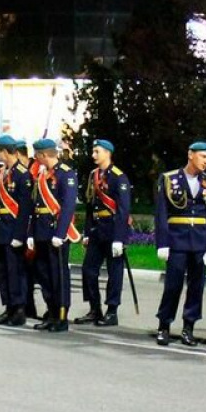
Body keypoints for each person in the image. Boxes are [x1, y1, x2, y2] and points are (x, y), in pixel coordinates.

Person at [153, 142, 206, 346]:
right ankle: (164, 325)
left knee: (196, 287)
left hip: (199, 240)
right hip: (177, 239)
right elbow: (161, 213)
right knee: (172, 285)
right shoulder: (170, 179)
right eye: (202, 156)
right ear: (190, 155)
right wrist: (162, 242)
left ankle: (189, 327)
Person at [75, 139, 131, 327]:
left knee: (115, 272)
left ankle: (112, 310)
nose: (93, 155)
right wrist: (87, 232)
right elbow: (91, 205)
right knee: (88, 269)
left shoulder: (118, 176)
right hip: (97, 229)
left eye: (97, 151)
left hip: (113, 228)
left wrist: (119, 238)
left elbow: (123, 209)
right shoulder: (93, 176)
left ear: (108, 153)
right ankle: (94, 308)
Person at [29, 138, 79, 333]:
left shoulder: (66, 174)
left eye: (37, 155)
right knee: (44, 276)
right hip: (41, 231)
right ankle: (50, 313)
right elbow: (36, 206)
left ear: (43, 155)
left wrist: (61, 233)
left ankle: (61, 316)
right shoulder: (41, 174)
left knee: (58, 276)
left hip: (56, 232)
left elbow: (67, 207)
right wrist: (31, 232)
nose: (35, 158)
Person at [0, 135, 32, 326]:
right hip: (1, 228)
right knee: (3, 272)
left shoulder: (23, 174)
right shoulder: (2, 173)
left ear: (5, 152)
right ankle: (8, 307)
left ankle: (19, 308)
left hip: (13, 230)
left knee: (16, 272)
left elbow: (25, 208)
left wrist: (19, 234)